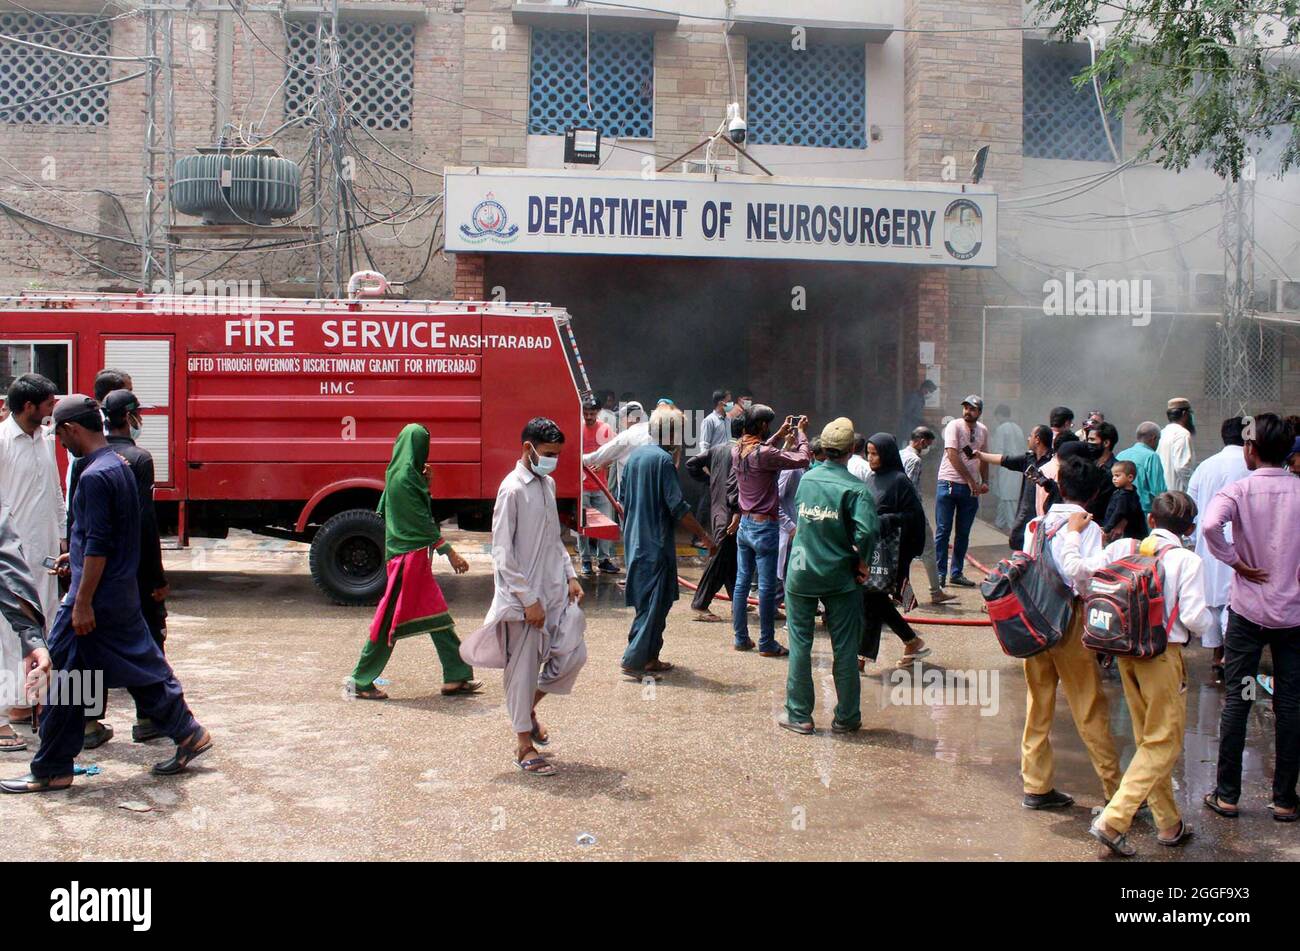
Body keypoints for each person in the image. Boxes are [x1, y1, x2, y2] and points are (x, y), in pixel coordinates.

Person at [2, 396, 211, 793]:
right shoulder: (118, 466)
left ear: (72, 430)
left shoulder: (95, 475)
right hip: (115, 591)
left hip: (94, 600)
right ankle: (187, 732)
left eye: (59, 433)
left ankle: (52, 769)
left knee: (63, 676)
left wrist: (81, 601)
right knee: (133, 668)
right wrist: (75, 555)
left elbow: (99, 542)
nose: (59, 442)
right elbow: (107, 536)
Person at [1057, 492, 1210, 856]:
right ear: (1189, 529)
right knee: (1164, 742)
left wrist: (1072, 536)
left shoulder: (1125, 546)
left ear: (1151, 521)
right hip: (1162, 657)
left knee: (1149, 740)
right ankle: (1114, 819)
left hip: (1125, 653)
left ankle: (1169, 824)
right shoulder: (1188, 560)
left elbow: (1077, 571)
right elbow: (1195, 620)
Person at [460, 418, 586, 777]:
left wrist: (570, 575)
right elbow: (501, 553)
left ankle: (527, 710)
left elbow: (553, 539)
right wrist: (528, 599)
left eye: (557, 455)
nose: (553, 461)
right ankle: (523, 745)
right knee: (523, 671)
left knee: (573, 654)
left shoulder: (546, 484)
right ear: (527, 448)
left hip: (554, 593)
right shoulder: (511, 489)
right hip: (522, 602)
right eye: (548, 454)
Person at [1202, 413, 1300, 822]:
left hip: (1247, 614)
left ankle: (1227, 795)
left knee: (1240, 699)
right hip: (1293, 616)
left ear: (1251, 449)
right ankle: (1284, 801)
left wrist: (1235, 562)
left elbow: (1209, 526)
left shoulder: (1239, 490)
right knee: (1290, 704)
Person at [1017, 455, 1122, 811]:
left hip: (1035, 620)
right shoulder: (1088, 528)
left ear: (1059, 488)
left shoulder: (1037, 523)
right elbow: (1083, 576)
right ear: (1093, 495)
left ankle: (1036, 785)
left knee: (1038, 703)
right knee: (1088, 704)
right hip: (1070, 620)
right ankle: (1115, 790)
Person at [346, 424, 479, 701]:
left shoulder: (398, 472)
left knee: (436, 615)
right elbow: (419, 519)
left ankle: (456, 676)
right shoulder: (405, 477)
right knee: (387, 624)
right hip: (407, 561)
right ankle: (361, 679)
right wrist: (449, 551)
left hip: (409, 557)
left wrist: (425, 485)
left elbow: (396, 510)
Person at [779, 418, 878, 735]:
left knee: (800, 644)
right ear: (852, 450)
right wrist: (862, 562)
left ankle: (799, 716)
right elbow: (868, 531)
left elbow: (801, 514)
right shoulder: (856, 489)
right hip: (839, 576)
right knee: (845, 649)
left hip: (801, 572)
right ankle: (846, 718)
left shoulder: (807, 478)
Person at [618, 405, 714, 678]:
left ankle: (650, 657)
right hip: (655, 544)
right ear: (670, 433)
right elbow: (678, 507)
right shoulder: (662, 462)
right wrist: (704, 537)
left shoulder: (635, 458)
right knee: (656, 603)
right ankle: (633, 659)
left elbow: (623, 500)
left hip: (636, 541)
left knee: (648, 601)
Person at [97, 389, 170, 743]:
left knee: (86, 647)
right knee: (147, 641)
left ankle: (84, 723)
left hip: (93, 573)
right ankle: (149, 718)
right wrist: (156, 578)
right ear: (130, 416)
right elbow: (145, 523)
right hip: (133, 571)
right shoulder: (138, 460)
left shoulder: (86, 459)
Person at [0, 373, 65, 752]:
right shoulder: (4, 441)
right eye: (48, 403)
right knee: (11, 631)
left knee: (43, 625)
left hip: (44, 556)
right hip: (13, 556)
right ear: (28, 406)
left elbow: (55, 492)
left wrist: (64, 535)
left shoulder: (44, 438)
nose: (53, 408)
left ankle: (24, 704)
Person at [728, 405, 811, 656]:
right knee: (765, 587)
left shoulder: (738, 449)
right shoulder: (764, 453)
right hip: (765, 526)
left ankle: (741, 638)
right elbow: (803, 458)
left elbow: (762, 451)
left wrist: (779, 436)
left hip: (745, 524)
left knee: (742, 583)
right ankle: (767, 643)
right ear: (763, 426)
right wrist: (801, 434)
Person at [859, 433, 931, 670]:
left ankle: (860, 658)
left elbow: (914, 516)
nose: (871, 458)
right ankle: (912, 640)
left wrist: (886, 520)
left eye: (875, 453)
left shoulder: (900, 481)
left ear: (886, 454)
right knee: (875, 599)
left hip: (892, 551)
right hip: (872, 549)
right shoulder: (871, 479)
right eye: (868, 453)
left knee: (873, 599)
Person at [1186, 417, 1250, 682]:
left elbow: (1191, 504)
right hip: (1240, 543)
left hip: (1210, 541)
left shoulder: (1205, 466)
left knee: (1213, 600)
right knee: (1234, 600)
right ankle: (1231, 656)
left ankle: (1216, 656)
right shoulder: (1250, 466)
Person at [685, 416, 743, 622]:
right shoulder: (740, 452)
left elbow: (691, 464)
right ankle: (700, 604)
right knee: (720, 557)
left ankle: (738, 602)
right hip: (730, 513)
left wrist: (710, 481)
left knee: (730, 558)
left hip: (718, 510)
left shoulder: (718, 449)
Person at [934, 394, 989, 587]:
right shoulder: (954, 426)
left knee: (963, 532)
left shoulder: (983, 430)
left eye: (972, 408)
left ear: (979, 412)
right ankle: (940, 573)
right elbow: (952, 455)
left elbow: (983, 457)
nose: (967, 411)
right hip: (949, 483)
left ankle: (956, 573)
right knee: (943, 530)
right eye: (965, 407)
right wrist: (970, 481)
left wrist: (985, 481)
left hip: (970, 488)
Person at [975, 423, 1054, 552]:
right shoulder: (1029, 459)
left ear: (1037, 439)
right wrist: (980, 455)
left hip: (1044, 515)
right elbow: (1003, 459)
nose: (1028, 439)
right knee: (1017, 540)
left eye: (1031, 436)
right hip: (1026, 512)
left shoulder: (1053, 462)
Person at [900, 427, 956, 605]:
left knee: (902, 557)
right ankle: (935, 592)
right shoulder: (915, 460)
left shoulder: (900, 454)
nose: (928, 448)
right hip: (913, 513)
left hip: (900, 514)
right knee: (929, 551)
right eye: (928, 444)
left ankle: (900, 595)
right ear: (922, 441)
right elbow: (910, 489)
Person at [578, 396, 618, 576]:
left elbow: (613, 452)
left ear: (598, 412)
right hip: (582, 485)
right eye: (585, 413)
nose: (588, 417)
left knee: (605, 524)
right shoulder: (577, 428)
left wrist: (602, 464)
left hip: (601, 485)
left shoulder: (606, 429)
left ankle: (604, 560)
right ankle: (585, 560)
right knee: (583, 525)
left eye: (591, 413)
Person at [1115, 422, 1167, 514]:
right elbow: (1159, 490)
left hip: (1120, 510)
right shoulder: (1152, 456)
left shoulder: (1121, 455)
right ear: (1154, 438)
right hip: (1143, 512)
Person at [989, 405, 1025, 531]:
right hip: (1018, 467)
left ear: (999, 415)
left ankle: (1013, 528)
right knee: (1004, 497)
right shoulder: (1018, 428)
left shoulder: (1001, 429)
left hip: (1006, 467)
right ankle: (999, 522)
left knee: (1008, 498)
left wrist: (993, 471)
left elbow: (997, 452)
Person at [1101, 460, 1147, 543]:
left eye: (1117, 476)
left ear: (1130, 477)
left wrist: (1107, 528)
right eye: (1113, 476)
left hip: (1126, 534)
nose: (1114, 478)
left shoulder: (1124, 496)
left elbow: (1119, 513)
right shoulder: (1131, 492)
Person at [1158, 398, 1196, 493]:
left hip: (1163, 492)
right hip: (1177, 494)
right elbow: (1182, 467)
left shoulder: (1162, 433)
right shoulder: (1182, 434)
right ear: (1184, 414)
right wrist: (1193, 487)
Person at [1085, 421, 1119, 523]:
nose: (1088, 443)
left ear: (1106, 443)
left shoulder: (1117, 470)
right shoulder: (1086, 465)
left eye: (1092, 439)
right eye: (1088, 439)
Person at [698, 389, 731, 454]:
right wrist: (705, 462)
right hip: (715, 460)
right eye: (728, 401)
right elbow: (704, 444)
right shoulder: (709, 420)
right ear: (720, 402)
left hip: (727, 459)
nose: (731, 404)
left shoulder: (728, 419)